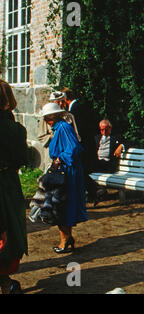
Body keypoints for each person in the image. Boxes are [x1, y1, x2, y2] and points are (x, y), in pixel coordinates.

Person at [41, 102, 88, 253]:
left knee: (61, 204)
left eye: (48, 118)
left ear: (54, 117)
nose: (47, 121)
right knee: (61, 204)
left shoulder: (63, 127)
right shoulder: (59, 128)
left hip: (66, 171)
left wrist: (59, 159)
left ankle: (65, 239)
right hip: (64, 169)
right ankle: (67, 237)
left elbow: (74, 148)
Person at [0, 80, 28, 294]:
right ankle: (6, 281)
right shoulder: (17, 130)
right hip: (8, 183)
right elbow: (22, 159)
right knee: (8, 232)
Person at [60, 87, 98, 202]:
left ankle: (95, 191)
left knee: (80, 171)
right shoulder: (82, 106)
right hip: (88, 144)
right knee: (82, 171)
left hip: (82, 146)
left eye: (62, 99)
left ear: (66, 99)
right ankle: (94, 192)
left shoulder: (75, 111)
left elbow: (78, 131)